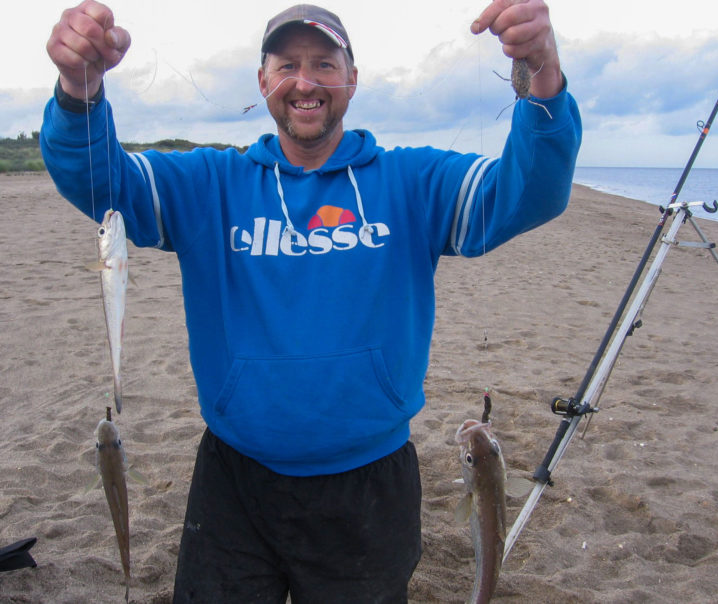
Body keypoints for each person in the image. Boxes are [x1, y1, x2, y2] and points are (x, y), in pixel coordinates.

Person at [42, 1, 582, 602]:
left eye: (325, 64)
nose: (306, 82)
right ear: (263, 81)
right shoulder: (209, 185)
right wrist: (78, 90)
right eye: (288, 65)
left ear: (352, 77)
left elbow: (531, 192)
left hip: (370, 486)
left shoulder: (413, 183)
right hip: (233, 480)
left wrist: (541, 71)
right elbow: (100, 181)